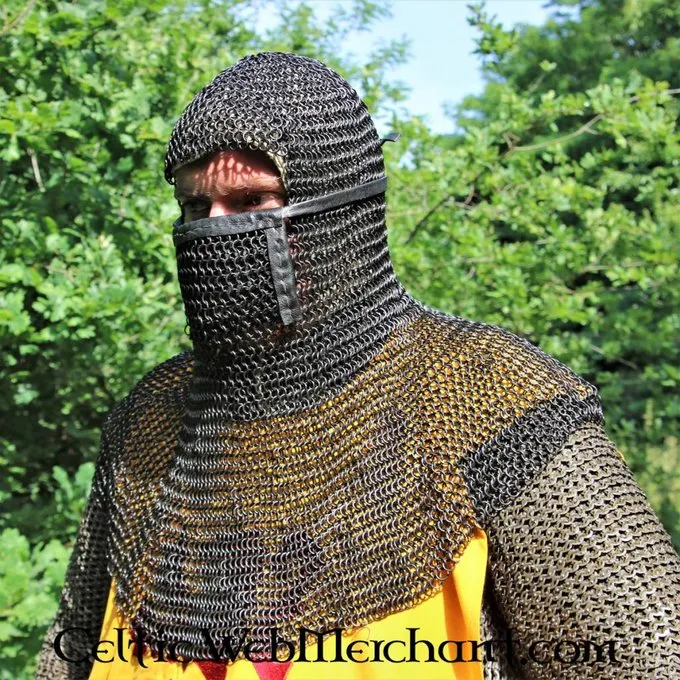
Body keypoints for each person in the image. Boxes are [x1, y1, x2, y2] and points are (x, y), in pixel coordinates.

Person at [37, 52, 679, 680]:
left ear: (342, 210)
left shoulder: (483, 395)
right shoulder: (152, 421)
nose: (215, 232)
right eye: (195, 208)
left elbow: (644, 657)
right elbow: (67, 661)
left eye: (253, 201)